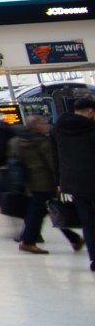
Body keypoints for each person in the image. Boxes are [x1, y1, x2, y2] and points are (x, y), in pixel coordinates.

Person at [11, 113, 80, 255]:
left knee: (46, 210)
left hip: (31, 182)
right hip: (45, 182)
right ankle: (28, 241)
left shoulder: (19, 141)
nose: (45, 126)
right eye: (43, 123)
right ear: (37, 126)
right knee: (45, 211)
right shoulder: (41, 141)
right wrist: (60, 180)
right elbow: (52, 162)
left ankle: (74, 238)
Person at [51, 95, 95, 271]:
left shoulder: (56, 130)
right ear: (91, 111)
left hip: (72, 184)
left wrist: (59, 183)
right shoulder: (91, 129)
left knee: (87, 222)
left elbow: (55, 158)